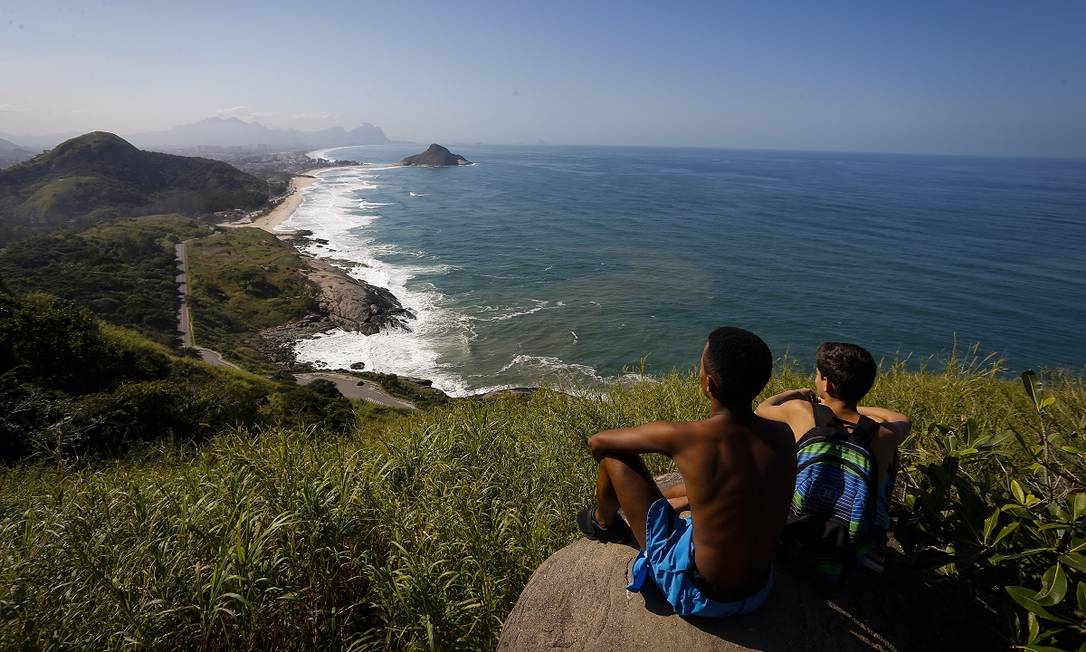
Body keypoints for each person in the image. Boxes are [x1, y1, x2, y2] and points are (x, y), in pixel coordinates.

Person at [577, 327, 796, 618]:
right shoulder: (782, 435)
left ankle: (603, 522)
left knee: (613, 457)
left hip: (700, 595)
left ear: (710, 385)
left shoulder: (688, 438)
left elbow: (597, 441)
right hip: (758, 590)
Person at [755, 342, 911, 570]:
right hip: (849, 543)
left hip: (795, 530)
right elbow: (902, 419)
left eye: (818, 375)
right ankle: (869, 547)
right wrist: (857, 409)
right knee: (890, 456)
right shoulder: (883, 435)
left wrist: (799, 394)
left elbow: (762, 408)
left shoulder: (801, 411)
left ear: (826, 384)